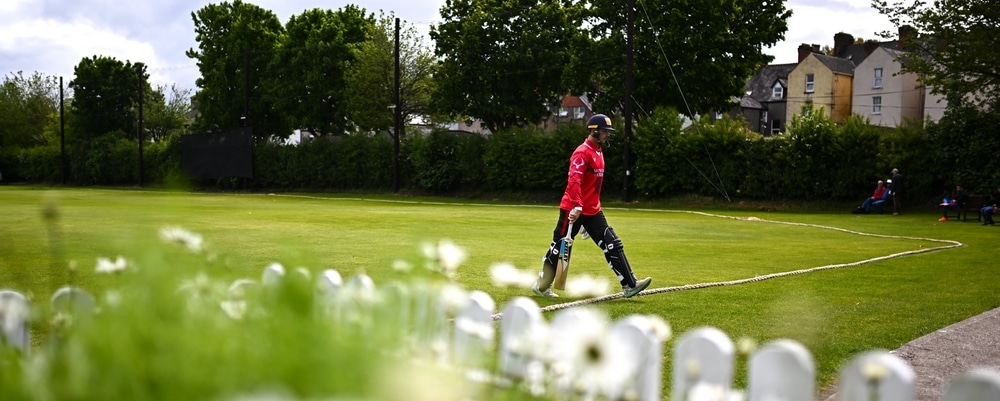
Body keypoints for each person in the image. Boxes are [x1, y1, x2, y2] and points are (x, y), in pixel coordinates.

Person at [532, 113, 652, 298]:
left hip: (593, 210)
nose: (607, 134)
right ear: (594, 131)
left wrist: (591, 214)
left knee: (612, 242)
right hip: (573, 209)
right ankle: (541, 285)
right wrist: (578, 207)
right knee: (560, 247)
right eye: (604, 131)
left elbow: (592, 187)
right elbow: (574, 181)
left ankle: (629, 284)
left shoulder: (598, 151)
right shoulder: (582, 152)